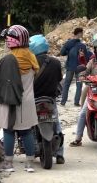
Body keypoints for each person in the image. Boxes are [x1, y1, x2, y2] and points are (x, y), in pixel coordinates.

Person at [0, 25, 39, 173]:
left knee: (9, 131)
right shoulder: (31, 57)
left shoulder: (8, 60)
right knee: (26, 132)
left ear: (12, 41)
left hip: (9, 101)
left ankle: (8, 163)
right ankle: (30, 164)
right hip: (27, 102)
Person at [29, 34, 65, 164]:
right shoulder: (55, 62)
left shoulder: (30, 63)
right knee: (56, 123)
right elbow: (59, 79)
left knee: (29, 124)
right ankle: (60, 154)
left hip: (33, 100)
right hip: (50, 100)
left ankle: (31, 149)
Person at [60, 28, 91, 106]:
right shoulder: (82, 46)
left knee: (67, 84)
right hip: (79, 67)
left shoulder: (68, 43)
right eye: (82, 33)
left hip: (70, 66)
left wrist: (69, 52)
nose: (82, 34)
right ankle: (76, 102)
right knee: (79, 84)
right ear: (79, 33)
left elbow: (62, 53)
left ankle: (63, 102)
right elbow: (86, 58)